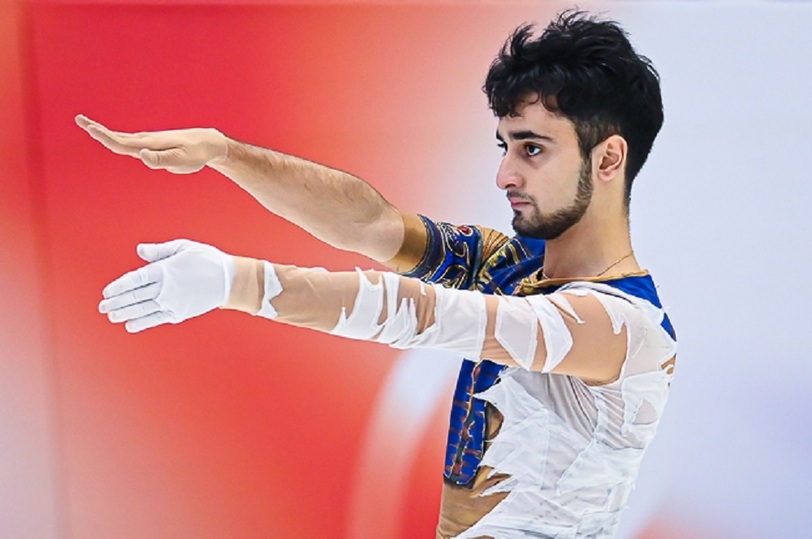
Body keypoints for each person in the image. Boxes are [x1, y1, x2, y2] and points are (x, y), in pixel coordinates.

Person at [78, 10, 677, 538]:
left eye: (533, 149)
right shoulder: (507, 266)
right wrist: (226, 153)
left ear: (608, 158)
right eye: (505, 147)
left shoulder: (622, 329)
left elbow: (422, 315)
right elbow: (371, 224)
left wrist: (236, 282)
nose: (505, 176)